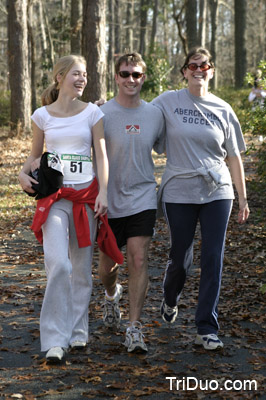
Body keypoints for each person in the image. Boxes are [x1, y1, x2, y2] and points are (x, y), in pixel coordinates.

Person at [152, 47, 250, 350]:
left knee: (213, 258)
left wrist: (242, 198)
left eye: (204, 65)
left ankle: (206, 327)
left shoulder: (223, 108)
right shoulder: (168, 101)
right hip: (179, 189)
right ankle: (170, 298)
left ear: (212, 70)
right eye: (192, 65)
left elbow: (233, 157)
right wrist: (106, 108)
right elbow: (138, 113)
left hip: (217, 190)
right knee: (180, 256)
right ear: (184, 71)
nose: (198, 70)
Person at [18, 55, 112, 363]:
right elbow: (33, 159)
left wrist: (104, 193)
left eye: (85, 74)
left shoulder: (93, 113)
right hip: (55, 199)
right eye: (76, 73)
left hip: (86, 198)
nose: (82, 79)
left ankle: (78, 331)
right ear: (60, 77)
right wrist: (22, 174)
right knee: (59, 264)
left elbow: (101, 156)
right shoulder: (42, 116)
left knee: (82, 270)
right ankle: (55, 340)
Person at [98, 52, 165, 353]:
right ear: (115, 77)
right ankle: (112, 296)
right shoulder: (100, 114)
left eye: (136, 74)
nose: (130, 80)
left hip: (142, 197)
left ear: (144, 78)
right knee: (106, 269)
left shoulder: (154, 114)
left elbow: (171, 146)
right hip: (108, 201)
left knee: (139, 258)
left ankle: (134, 328)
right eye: (125, 74)